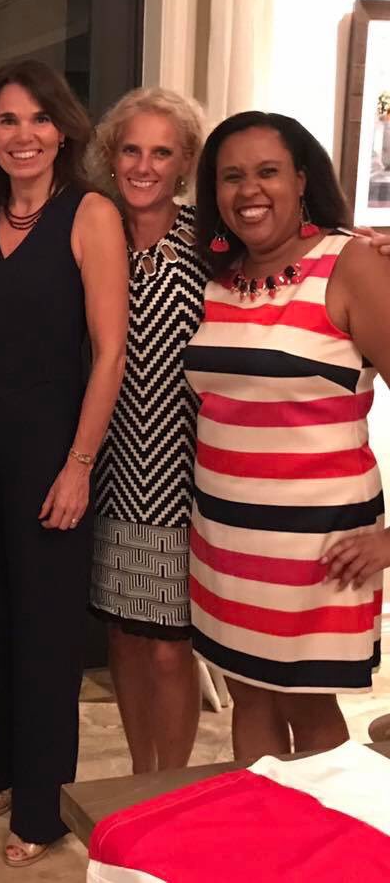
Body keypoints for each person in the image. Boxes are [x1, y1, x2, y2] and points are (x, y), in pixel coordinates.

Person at [0, 59, 128, 867]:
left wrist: (80, 463)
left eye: (39, 119)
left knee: (45, 627)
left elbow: (110, 351)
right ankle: (2, 772)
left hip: (53, 443)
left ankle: (44, 808)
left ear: (64, 129)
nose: (24, 135)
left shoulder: (91, 215)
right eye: (7, 120)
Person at [185, 111, 390, 760]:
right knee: (249, 696)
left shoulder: (351, 263)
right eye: (231, 176)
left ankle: (325, 832)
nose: (250, 190)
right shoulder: (219, 276)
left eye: (268, 171)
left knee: (309, 704)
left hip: (321, 549)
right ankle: (258, 827)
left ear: (302, 180)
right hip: (225, 541)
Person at [83, 88, 208, 774]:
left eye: (162, 152)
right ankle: (140, 775)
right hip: (107, 467)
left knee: (170, 647)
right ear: (112, 155)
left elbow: (290, 252)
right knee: (125, 640)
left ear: (184, 162)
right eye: (131, 150)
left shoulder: (211, 243)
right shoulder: (91, 233)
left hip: (187, 473)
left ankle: (173, 784)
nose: (143, 166)